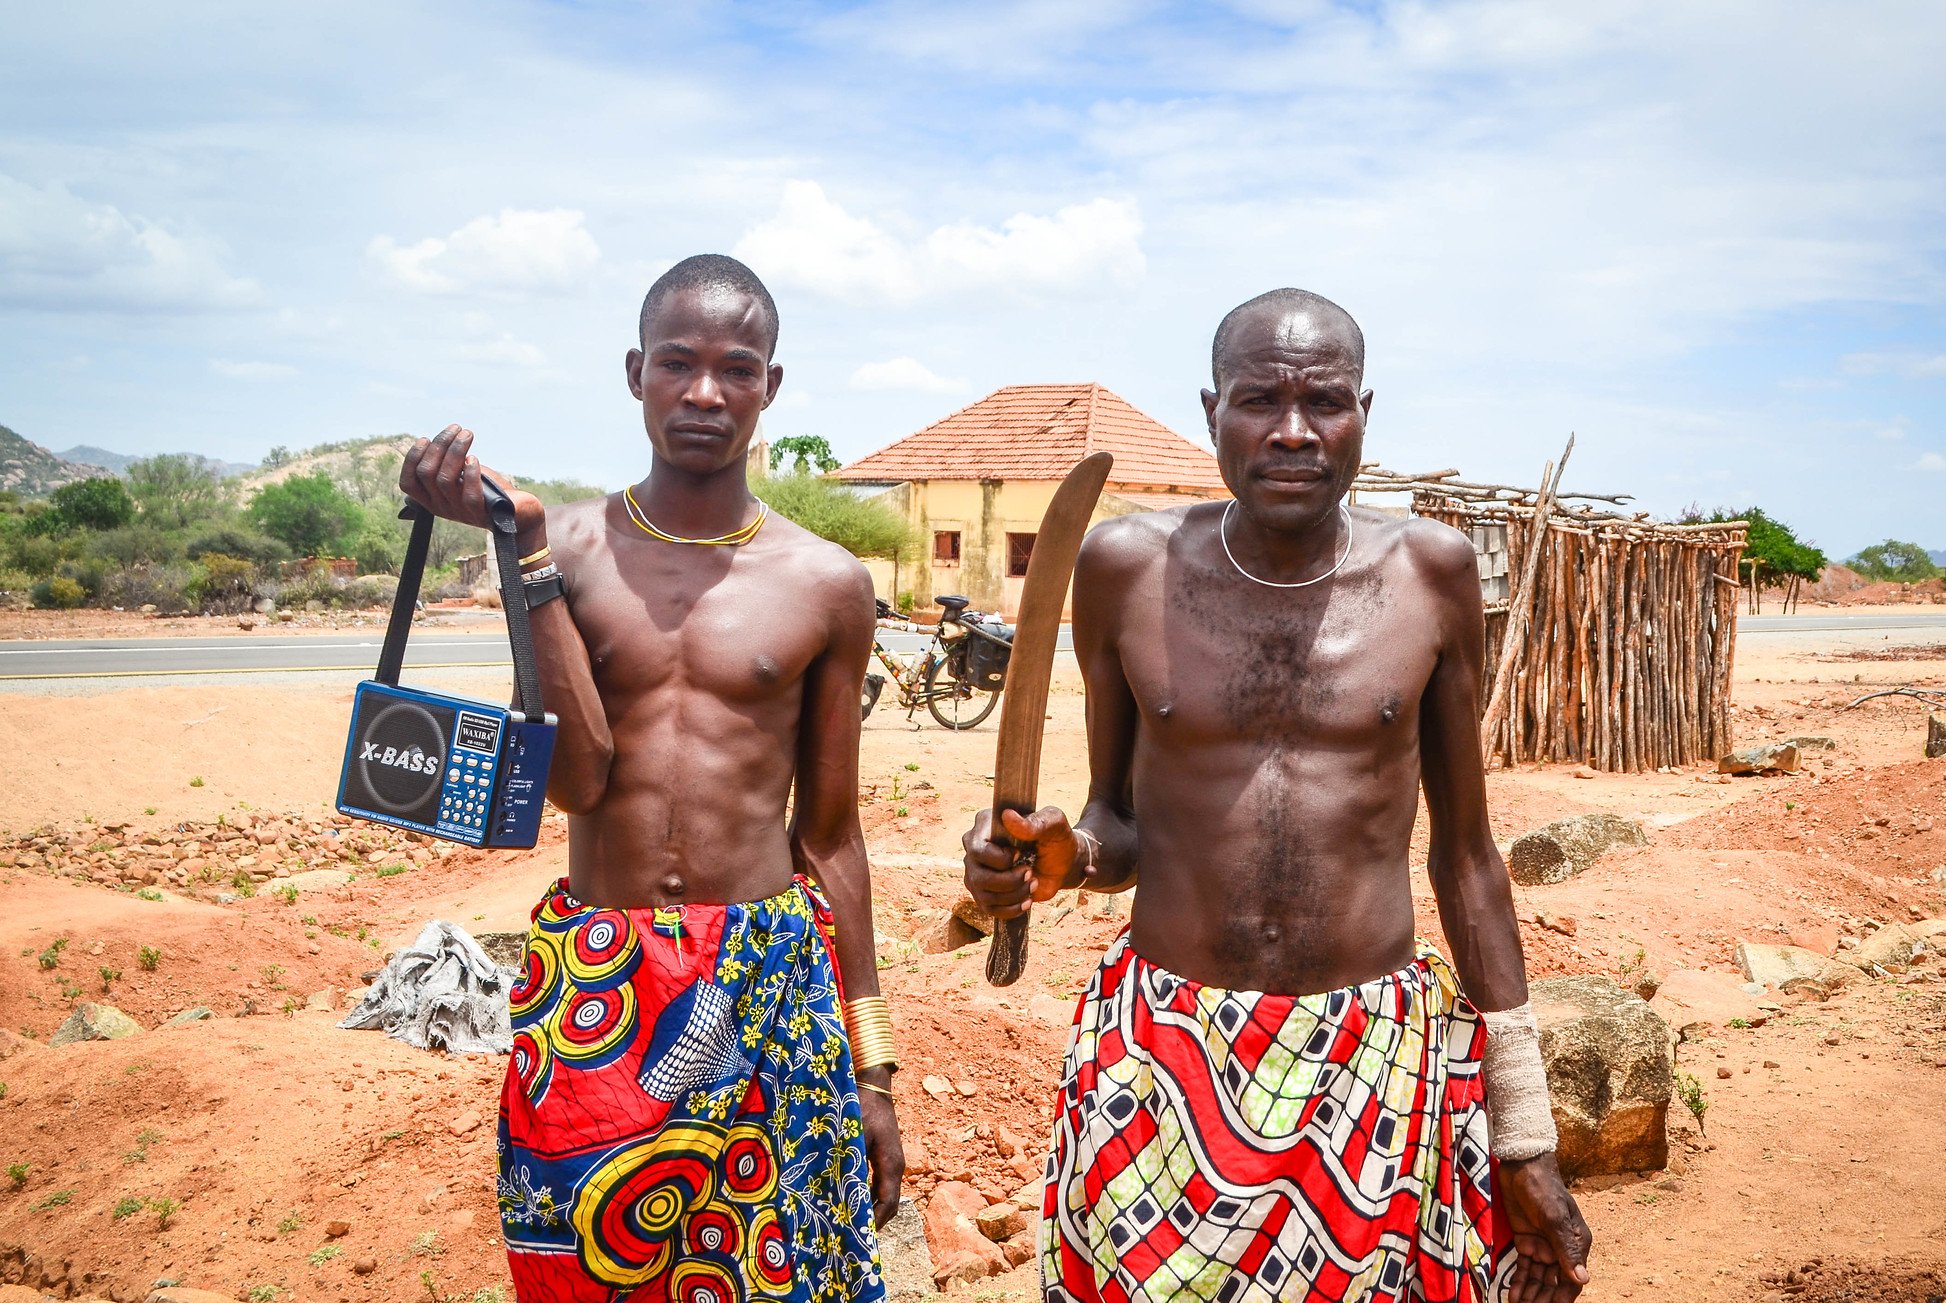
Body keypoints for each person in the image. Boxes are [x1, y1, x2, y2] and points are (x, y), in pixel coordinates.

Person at [962, 288, 1592, 1303]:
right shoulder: (1127, 568)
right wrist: (1058, 858)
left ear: (1363, 412)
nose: (1292, 432)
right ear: (1212, 408)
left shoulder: (1429, 574)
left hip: (1372, 1060)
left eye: (1324, 402)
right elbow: (1114, 824)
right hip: (1165, 1062)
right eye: (1259, 400)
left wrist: (1523, 1132)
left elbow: (1465, 858)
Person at [401, 254, 900, 1303]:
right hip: (598, 969)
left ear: (772, 386)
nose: (705, 392)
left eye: (736, 368)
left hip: (765, 970)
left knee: (784, 1272)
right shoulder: (564, 546)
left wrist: (874, 1066)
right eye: (678, 363)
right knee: (585, 1260)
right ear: (636, 371)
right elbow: (576, 782)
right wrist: (525, 559)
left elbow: (833, 835)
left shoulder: (826, 582)